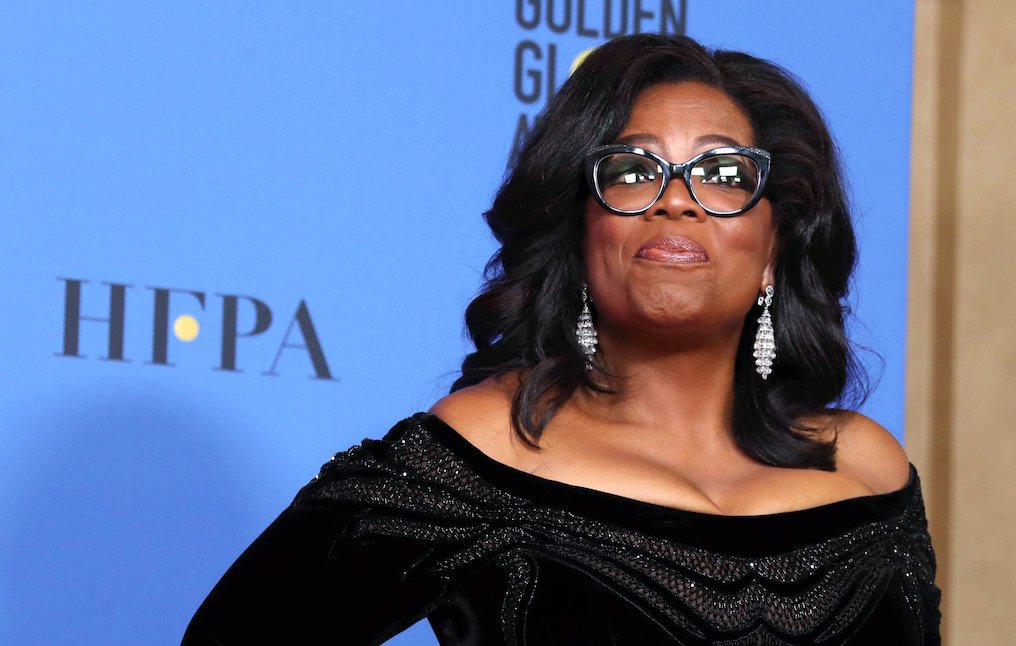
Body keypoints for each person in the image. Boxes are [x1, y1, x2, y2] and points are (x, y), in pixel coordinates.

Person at [182, 34, 941, 645]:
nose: (675, 200)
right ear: (580, 229)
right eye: (632, 170)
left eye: (721, 172)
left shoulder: (863, 468)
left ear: (773, 240)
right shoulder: (482, 452)